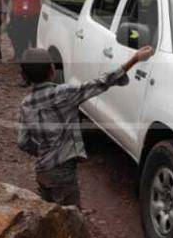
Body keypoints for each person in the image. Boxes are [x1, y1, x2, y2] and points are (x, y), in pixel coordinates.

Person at [17, 44, 154, 207]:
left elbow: (22, 142)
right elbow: (101, 82)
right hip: (63, 173)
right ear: (51, 71)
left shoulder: (26, 104)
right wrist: (134, 59)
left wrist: (41, 150)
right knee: (71, 219)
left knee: (49, 215)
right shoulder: (64, 93)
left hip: (42, 171)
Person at [7, 0, 47, 72]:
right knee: (20, 43)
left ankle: (36, 69)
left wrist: (45, 15)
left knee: (34, 43)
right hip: (18, 18)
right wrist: (9, 16)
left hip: (34, 18)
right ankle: (24, 70)